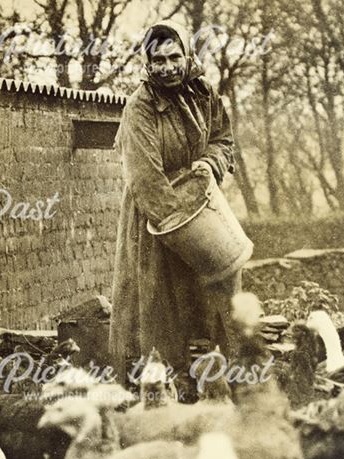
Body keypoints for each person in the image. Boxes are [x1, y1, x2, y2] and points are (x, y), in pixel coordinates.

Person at [108, 22, 238, 391]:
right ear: (148, 63)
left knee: (214, 297)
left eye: (173, 56)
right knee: (160, 310)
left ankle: (217, 384)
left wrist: (210, 162)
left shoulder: (202, 92)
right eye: (158, 59)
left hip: (202, 205)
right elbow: (145, 179)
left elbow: (223, 138)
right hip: (157, 221)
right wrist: (181, 232)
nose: (166, 66)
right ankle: (165, 388)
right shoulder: (141, 107)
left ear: (187, 55)